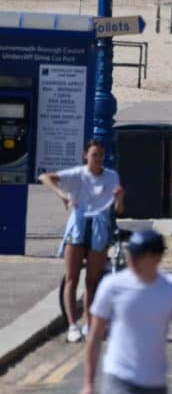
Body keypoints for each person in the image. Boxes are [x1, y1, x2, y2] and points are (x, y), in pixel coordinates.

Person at [79, 230, 172, 394]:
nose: (132, 260)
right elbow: (95, 336)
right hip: (118, 380)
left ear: (156, 258)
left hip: (155, 385)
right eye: (131, 254)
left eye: (138, 255)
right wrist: (88, 384)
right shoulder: (112, 286)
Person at [39, 140, 124, 344]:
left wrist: (120, 199)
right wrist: (63, 195)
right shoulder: (78, 174)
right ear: (86, 155)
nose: (98, 159)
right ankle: (71, 326)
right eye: (94, 155)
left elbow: (119, 210)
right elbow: (45, 177)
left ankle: (88, 322)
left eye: (101, 155)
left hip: (99, 230)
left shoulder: (111, 176)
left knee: (92, 283)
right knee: (72, 279)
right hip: (78, 227)